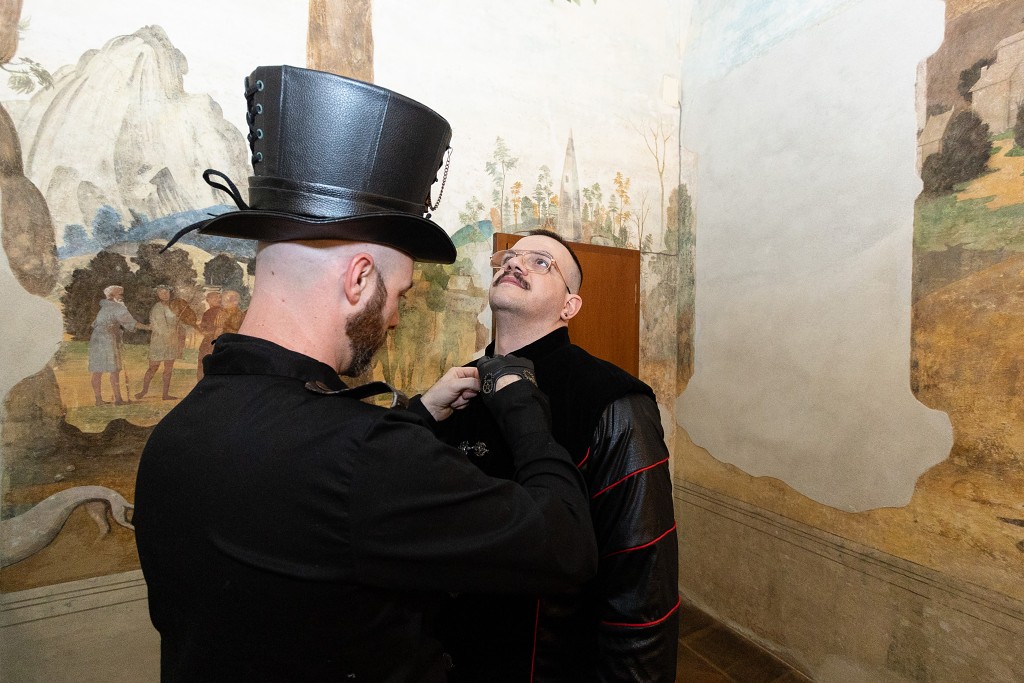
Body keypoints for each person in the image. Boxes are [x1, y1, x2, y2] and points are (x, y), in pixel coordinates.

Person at [133, 65, 597, 682]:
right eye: (399, 294)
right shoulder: (364, 457)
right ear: (359, 280)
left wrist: (419, 413)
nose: (398, 317)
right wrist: (524, 410)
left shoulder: (176, 433)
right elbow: (565, 544)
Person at [435, 229, 680, 682]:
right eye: (511, 256)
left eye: (541, 262)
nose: (515, 263)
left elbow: (642, 578)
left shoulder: (614, 401)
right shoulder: (454, 388)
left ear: (570, 306)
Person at [87, 285, 149, 405]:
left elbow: (95, 324)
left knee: (98, 370)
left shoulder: (104, 307)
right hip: (108, 339)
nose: (122, 297)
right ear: (112, 296)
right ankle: (118, 399)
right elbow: (131, 323)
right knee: (113, 370)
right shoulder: (117, 307)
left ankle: (99, 400)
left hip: (97, 339)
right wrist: (148, 327)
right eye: (120, 294)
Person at [135, 284, 187, 401]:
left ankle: (165, 394)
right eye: (162, 293)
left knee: (168, 369)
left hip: (172, 341)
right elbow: (160, 327)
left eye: (167, 292)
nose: (165, 295)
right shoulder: (157, 308)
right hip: (159, 341)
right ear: (157, 295)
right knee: (153, 368)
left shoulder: (173, 307)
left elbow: (178, 323)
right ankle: (144, 391)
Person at [195, 289, 223, 380]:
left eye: (219, 298)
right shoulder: (208, 312)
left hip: (214, 343)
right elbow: (204, 328)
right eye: (215, 298)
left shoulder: (221, 312)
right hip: (209, 343)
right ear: (208, 300)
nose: (218, 299)